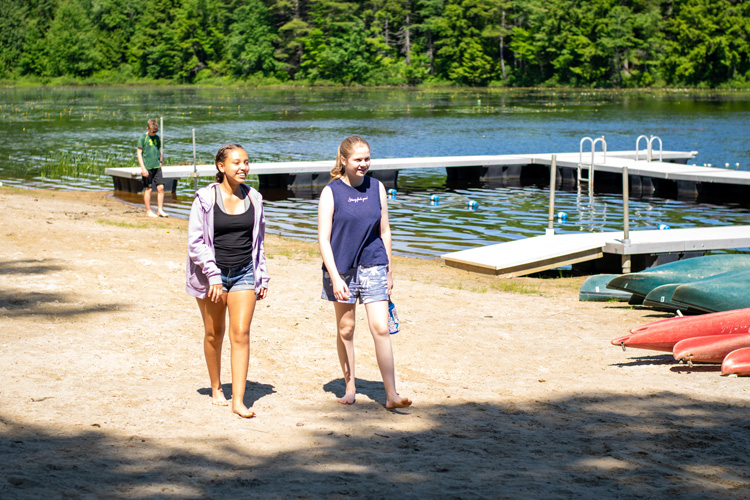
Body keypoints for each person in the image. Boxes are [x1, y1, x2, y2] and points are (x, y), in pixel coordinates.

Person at [318, 136, 412, 410]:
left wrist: (390, 270)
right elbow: (324, 239)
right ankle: (350, 387)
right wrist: (335, 277)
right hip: (342, 269)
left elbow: (384, 230)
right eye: (358, 160)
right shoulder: (331, 192)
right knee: (346, 328)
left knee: (381, 328)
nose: (363, 164)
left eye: (367, 159)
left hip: (374, 264)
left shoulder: (377, 187)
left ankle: (392, 394)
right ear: (344, 161)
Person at [186, 144, 269, 418]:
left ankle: (239, 400)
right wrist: (212, 274)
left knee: (241, 333)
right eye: (237, 162)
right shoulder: (204, 199)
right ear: (222, 167)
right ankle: (216, 386)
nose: (243, 167)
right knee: (214, 333)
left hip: (245, 271)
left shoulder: (254, 198)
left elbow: (259, 243)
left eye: (246, 162)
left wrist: (262, 274)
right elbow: (195, 243)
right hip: (212, 276)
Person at [136, 118, 168, 217]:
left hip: (157, 166)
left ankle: (160, 210)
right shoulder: (143, 138)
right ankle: (148, 211)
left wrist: (161, 161)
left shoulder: (157, 138)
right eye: (152, 131)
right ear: (147, 128)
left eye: (155, 131)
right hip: (147, 167)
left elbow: (158, 151)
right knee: (148, 189)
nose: (154, 133)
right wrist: (143, 168)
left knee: (161, 188)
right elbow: (139, 153)